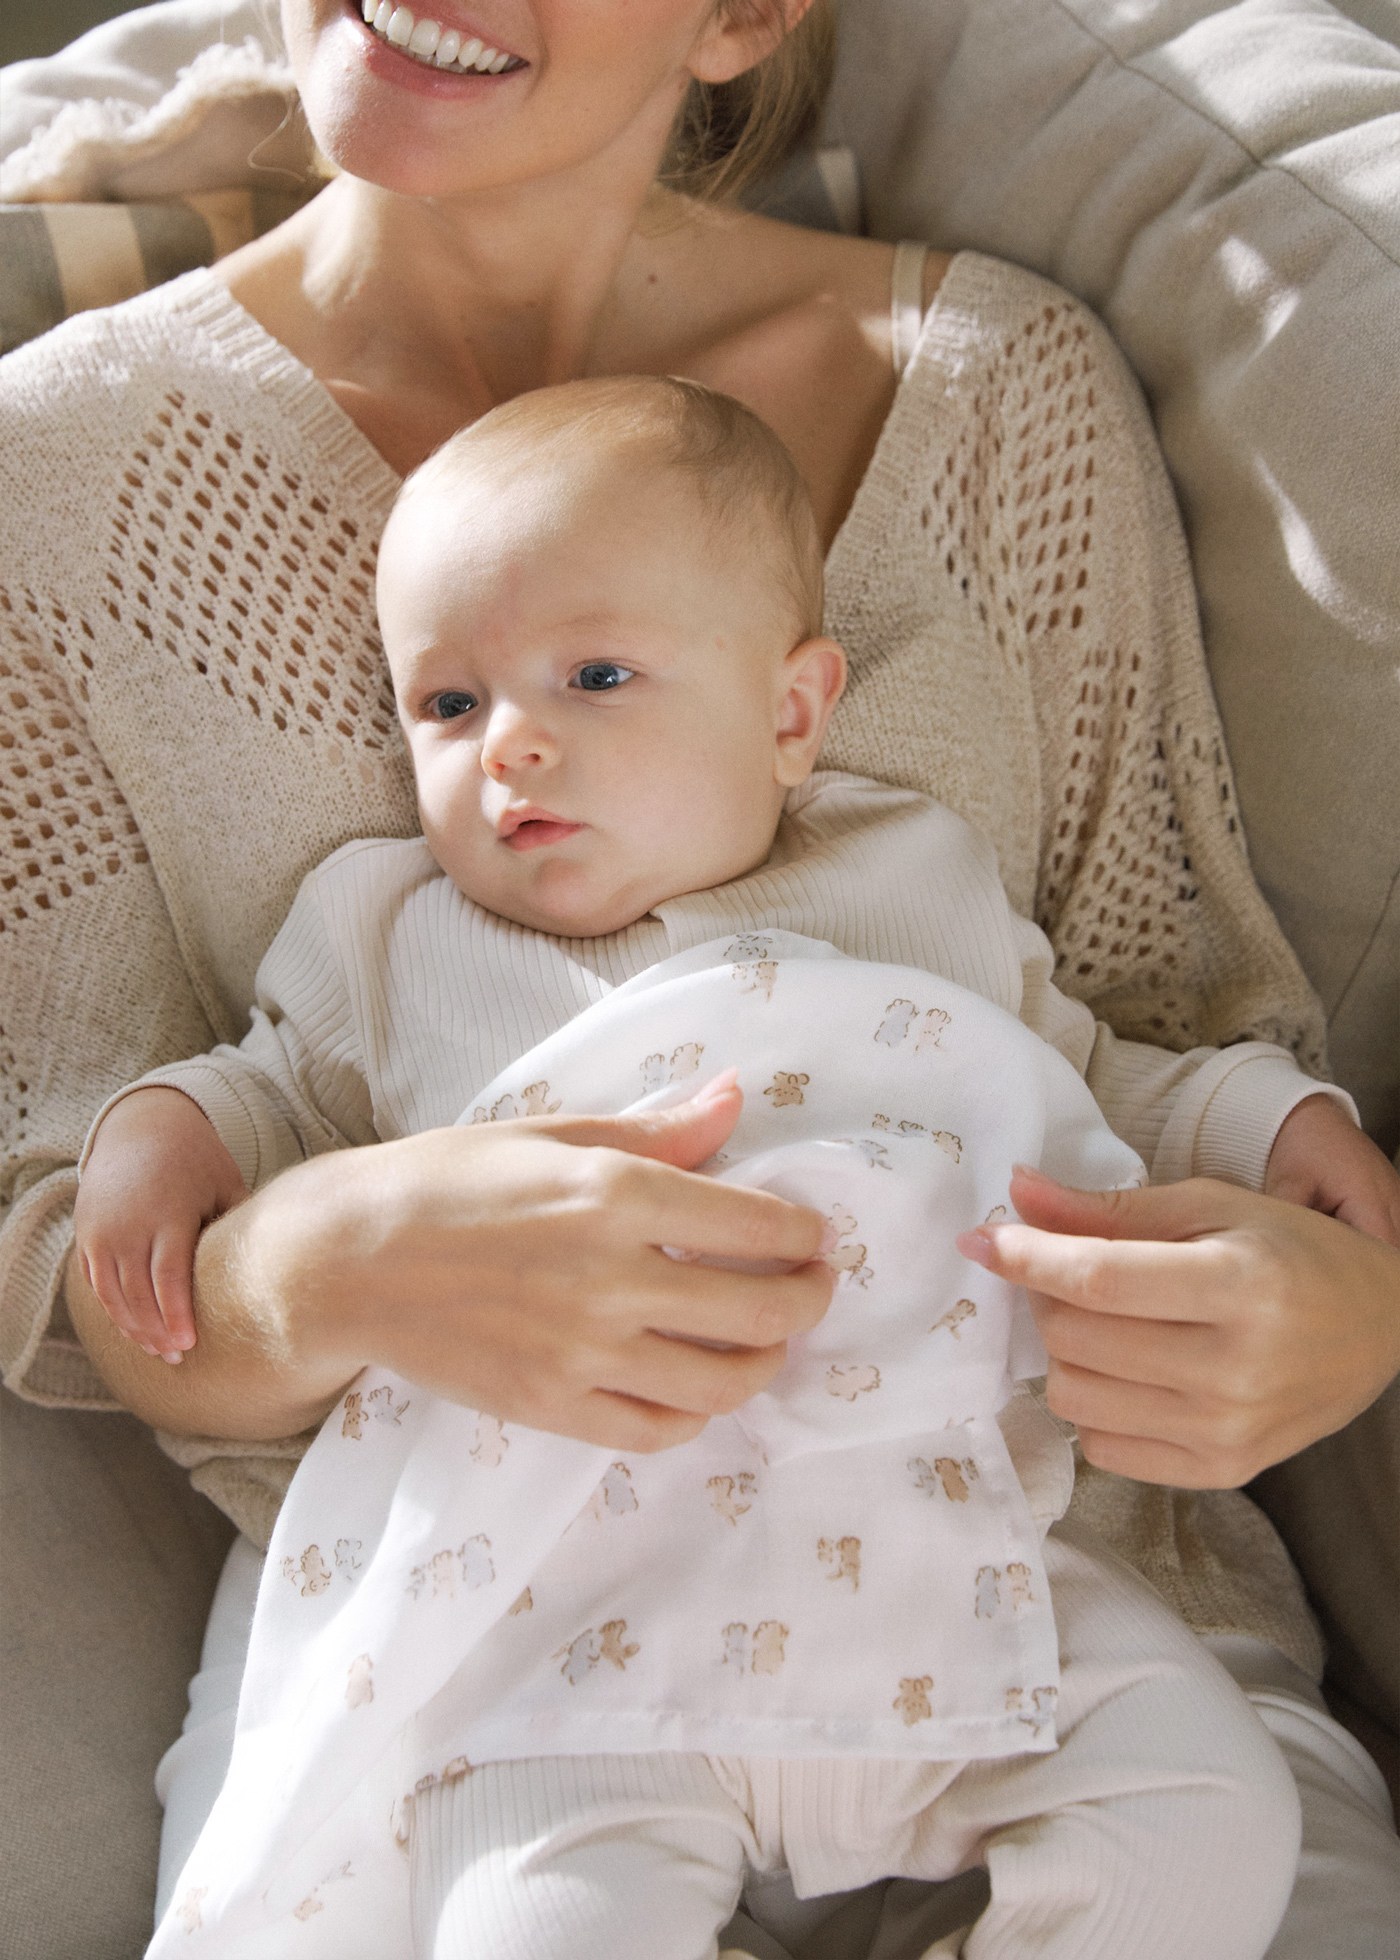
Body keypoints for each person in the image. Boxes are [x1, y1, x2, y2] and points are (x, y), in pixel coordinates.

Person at [1, 2, 1397, 1952]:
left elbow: (1173, 1037)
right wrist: (333, 1254)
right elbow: (71, 1229)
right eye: (455, 701)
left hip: (1058, 1609)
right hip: (503, 1651)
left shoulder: (996, 390)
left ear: (743, 16)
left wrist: (1336, 1298)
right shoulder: (51, 479)